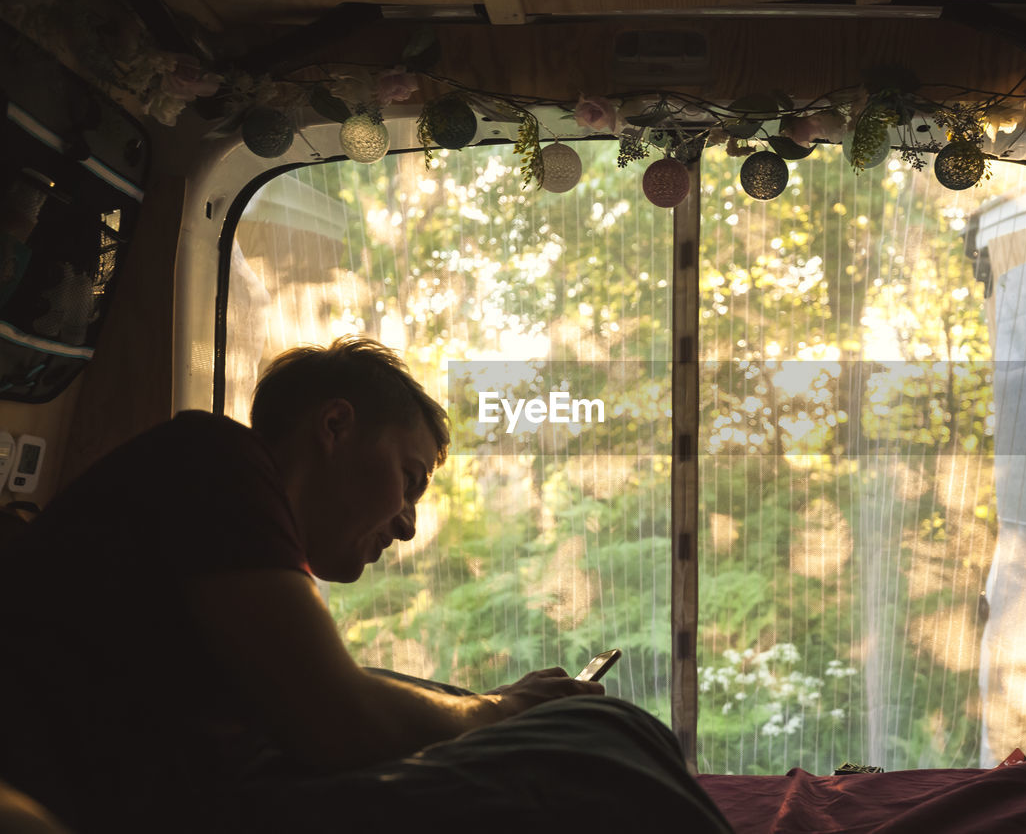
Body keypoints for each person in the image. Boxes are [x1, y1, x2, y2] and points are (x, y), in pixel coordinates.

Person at [0, 336, 731, 833]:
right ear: (336, 425)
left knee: (564, 721)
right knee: (597, 732)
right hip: (159, 807)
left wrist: (481, 707)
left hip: (184, 787)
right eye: (409, 481)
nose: (408, 526)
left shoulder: (227, 507)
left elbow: (327, 693)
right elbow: (338, 718)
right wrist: (499, 708)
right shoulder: (212, 459)